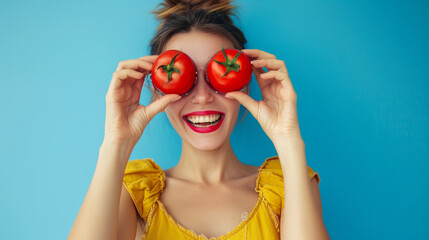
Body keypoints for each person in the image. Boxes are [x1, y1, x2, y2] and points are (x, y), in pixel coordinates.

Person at [68, 0, 330, 239]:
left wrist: (288, 140)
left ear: (247, 87)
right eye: (180, 79)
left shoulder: (289, 185)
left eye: (221, 76)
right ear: (156, 91)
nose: (202, 97)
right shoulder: (134, 192)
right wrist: (117, 142)